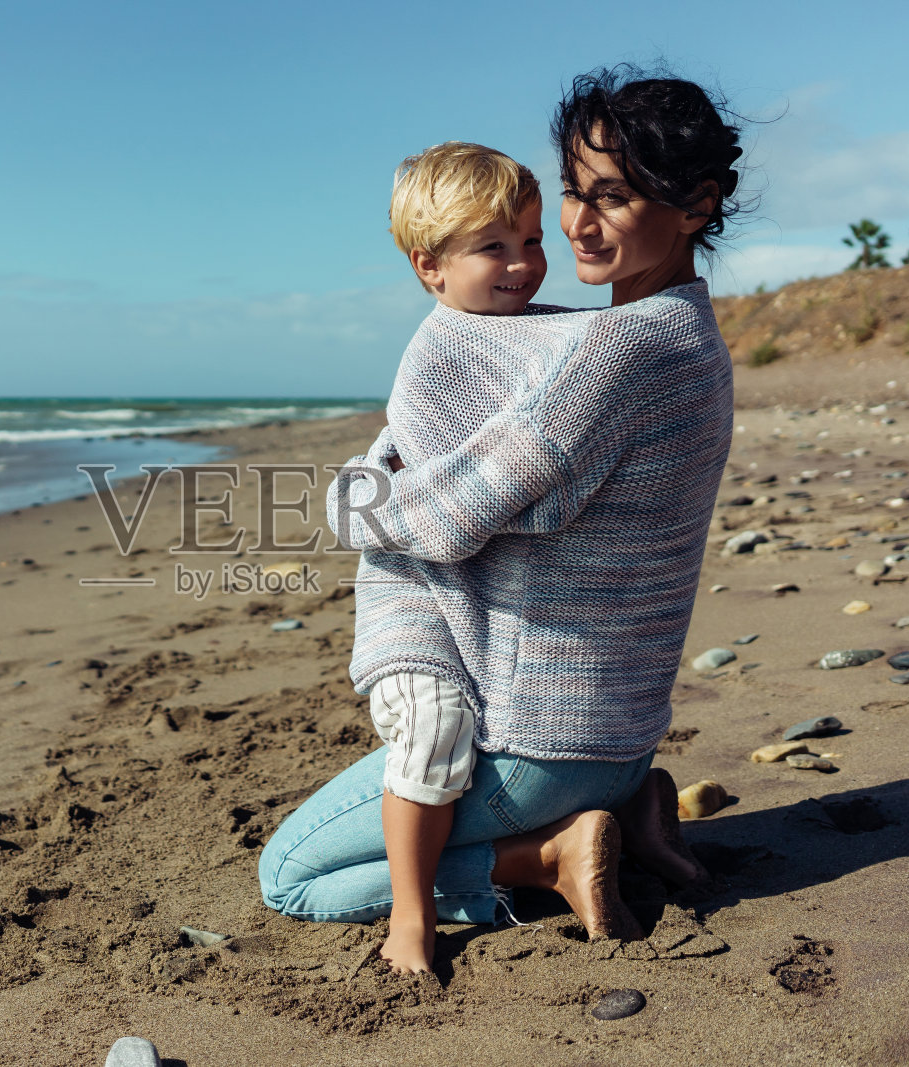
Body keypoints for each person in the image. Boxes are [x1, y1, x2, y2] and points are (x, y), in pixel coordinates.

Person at [258, 65, 745, 967]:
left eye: (616, 197)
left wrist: (353, 491)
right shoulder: (683, 338)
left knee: (289, 874)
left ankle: (541, 856)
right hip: (617, 734)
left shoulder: (624, 353)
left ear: (695, 205)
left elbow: (445, 517)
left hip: (542, 743)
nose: (578, 225)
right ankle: (627, 816)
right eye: (571, 192)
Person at [354, 140, 556, 975]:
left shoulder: (553, 334)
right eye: (492, 248)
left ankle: (584, 826)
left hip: (481, 584)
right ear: (429, 267)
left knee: (510, 725)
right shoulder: (435, 358)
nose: (521, 265)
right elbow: (445, 516)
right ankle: (412, 914)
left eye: (532, 241)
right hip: (416, 590)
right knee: (436, 728)